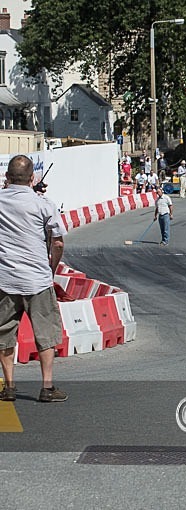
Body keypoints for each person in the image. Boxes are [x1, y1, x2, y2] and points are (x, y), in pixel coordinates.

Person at [0, 155, 68, 403]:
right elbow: (58, 241)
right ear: (32, 178)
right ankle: (47, 387)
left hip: (5, 278)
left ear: (7, 177)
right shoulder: (44, 204)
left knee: (4, 333)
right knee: (46, 334)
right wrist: (51, 267)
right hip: (37, 279)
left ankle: (9, 386)